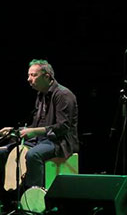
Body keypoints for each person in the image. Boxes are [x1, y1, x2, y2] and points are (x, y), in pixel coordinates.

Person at [0, 59, 79, 203]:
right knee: (3, 151)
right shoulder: (41, 95)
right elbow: (35, 126)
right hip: (41, 140)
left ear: (47, 76)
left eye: (33, 75)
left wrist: (35, 132)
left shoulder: (63, 95)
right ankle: (6, 198)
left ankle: (34, 199)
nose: (29, 79)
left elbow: (63, 127)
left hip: (59, 141)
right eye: (29, 75)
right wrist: (14, 131)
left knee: (33, 155)